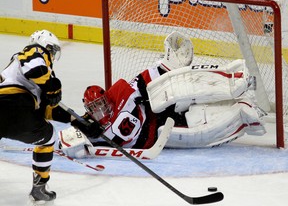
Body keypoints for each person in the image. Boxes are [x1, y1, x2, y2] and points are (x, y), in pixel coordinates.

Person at [63, 31, 267, 158]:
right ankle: (243, 114)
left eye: (102, 104)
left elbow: (142, 82)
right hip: (158, 135)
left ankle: (234, 79)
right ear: (88, 109)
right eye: (95, 108)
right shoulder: (91, 131)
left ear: (107, 98)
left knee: (172, 90)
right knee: (196, 127)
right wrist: (78, 135)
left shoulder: (118, 95)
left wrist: (167, 67)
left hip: (154, 111)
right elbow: (68, 143)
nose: (101, 110)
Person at [0, 29, 100, 204]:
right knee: (49, 136)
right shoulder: (34, 52)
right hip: (14, 106)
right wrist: (51, 85)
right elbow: (36, 68)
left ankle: (40, 189)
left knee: (46, 133)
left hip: (14, 110)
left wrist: (79, 121)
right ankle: (39, 188)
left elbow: (47, 110)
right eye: (52, 50)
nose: (52, 55)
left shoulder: (30, 75)